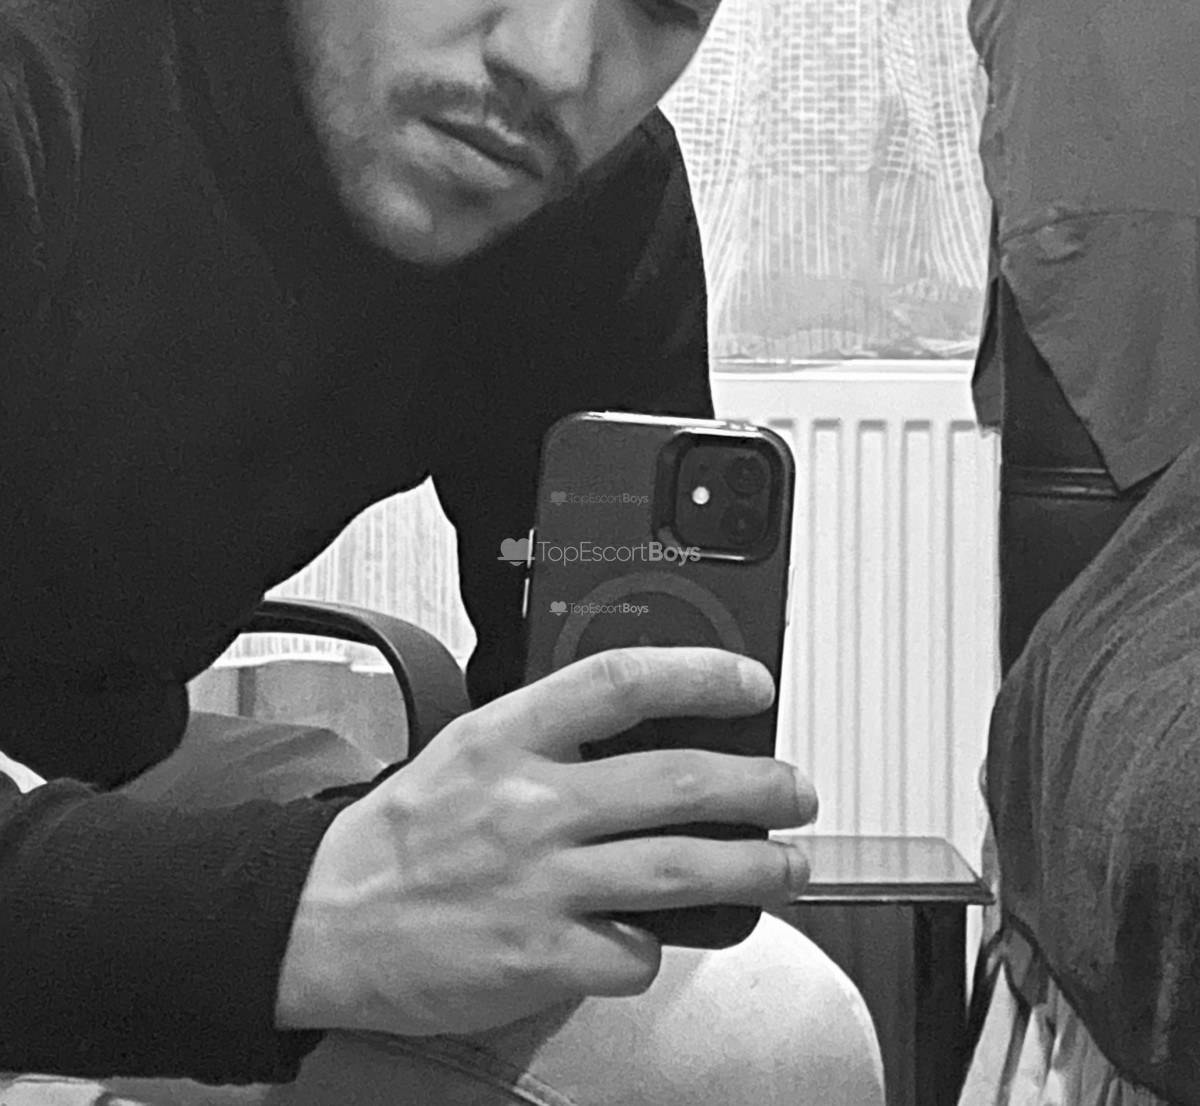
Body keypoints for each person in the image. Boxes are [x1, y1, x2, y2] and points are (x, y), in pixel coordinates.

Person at [0, 0, 885, 1102]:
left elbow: (585, 756)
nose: (552, 62)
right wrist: (309, 907)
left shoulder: (591, 202)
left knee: (767, 1036)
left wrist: (535, 827)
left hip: (118, 748)